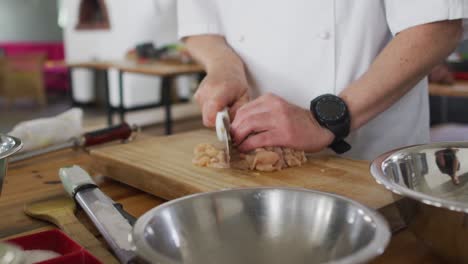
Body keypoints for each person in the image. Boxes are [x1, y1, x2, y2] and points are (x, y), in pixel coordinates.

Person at [178, 1, 468, 160]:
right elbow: (200, 24)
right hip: (254, 160)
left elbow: (437, 25)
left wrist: (325, 120)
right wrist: (223, 64)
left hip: (369, 162)